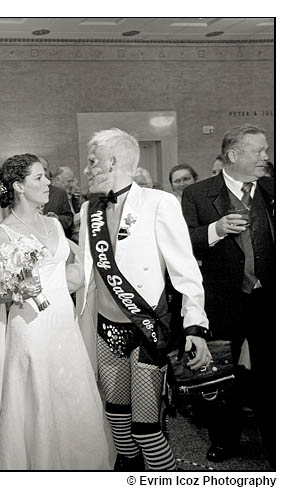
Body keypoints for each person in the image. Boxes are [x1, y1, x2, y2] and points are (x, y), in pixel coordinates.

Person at [78, 128, 211, 471]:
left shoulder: (159, 203)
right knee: (118, 422)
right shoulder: (86, 211)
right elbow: (85, 272)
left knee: (147, 429)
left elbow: (185, 272)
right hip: (106, 328)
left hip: (146, 328)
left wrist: (195, 326)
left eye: (92, 161)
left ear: (113, 161)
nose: (87, 169)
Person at [0, 153, 112, 470]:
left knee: (70, 394)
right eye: (39, 177)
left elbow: (71, 267)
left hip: (64, 324)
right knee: (37, 398)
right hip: (30, 327)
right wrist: (11, 291)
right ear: (19, 186)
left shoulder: (53, 224)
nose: (48, 182)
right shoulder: (3, 234)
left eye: (47, 175)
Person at [181, 123, 275, 467]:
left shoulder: (272, 188)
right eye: (259, 151)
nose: (266, 156)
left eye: (266, 150)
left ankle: (276, 443)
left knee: (271, 376)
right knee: (220, 376)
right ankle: (225, 441)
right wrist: (215, 230)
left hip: (268, 302)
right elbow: (182, 242)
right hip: (222, 302)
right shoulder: (198, 194)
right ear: (233, 155)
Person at [39, 156, 74, 238]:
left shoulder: (59, 193)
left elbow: (69, 219)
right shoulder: (23, 192)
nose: (41, 172)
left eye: (44, 169)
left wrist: (57, 218)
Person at [52, 164, 82, 240]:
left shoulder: (74, 197)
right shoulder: (47, 195)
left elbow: (70, 217)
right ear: (57, 180)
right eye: (69, 181)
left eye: (72, 181)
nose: (72, 185)